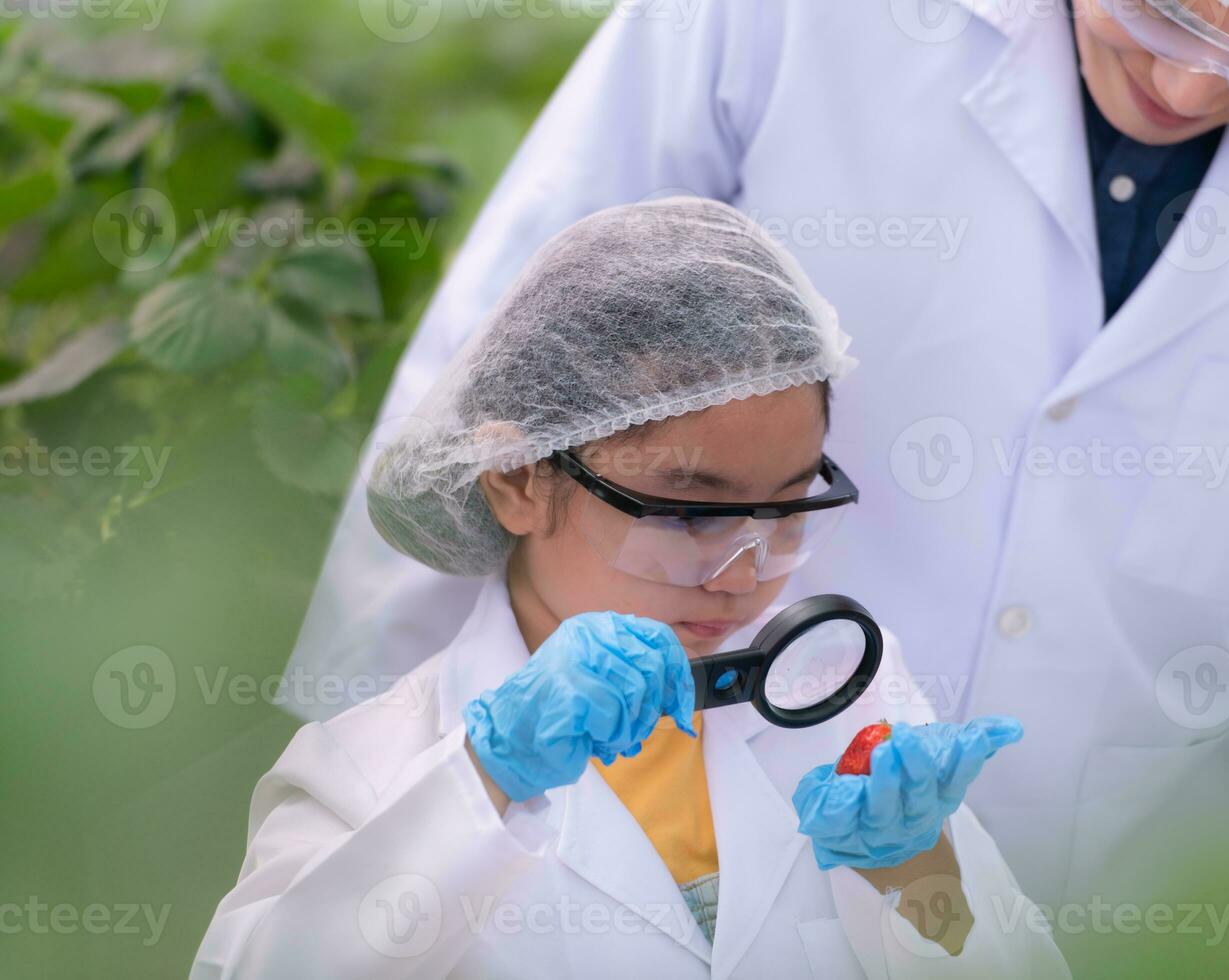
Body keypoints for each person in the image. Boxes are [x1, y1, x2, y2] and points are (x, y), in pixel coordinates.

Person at [286, 0, 1229, 972]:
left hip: (1127, 871)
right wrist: (414, 774)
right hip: (694, 762)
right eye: (1165, 17)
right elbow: (508, 362)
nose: (1194, 90)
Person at [193, 199, 1071, 979]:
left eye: (791, 507)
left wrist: (924, 885)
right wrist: (480, 785)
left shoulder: (845, 711)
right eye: (689, 512)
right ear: (516, 477)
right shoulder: (373, 768)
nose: (747, 573)